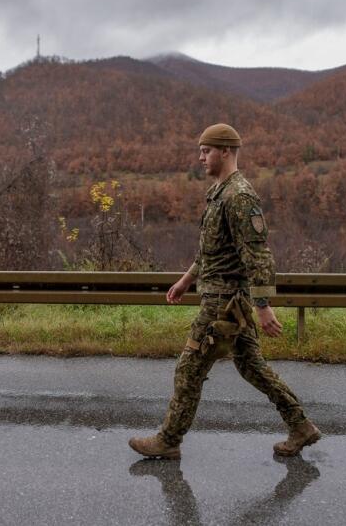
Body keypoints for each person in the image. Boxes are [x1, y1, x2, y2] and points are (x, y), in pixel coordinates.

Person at [129, 124, 320, 459]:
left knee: (189, 368)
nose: (201, 157)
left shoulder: (239, 197)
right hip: (223, 297)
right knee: (251, 367)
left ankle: (169, 440)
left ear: (226, 151)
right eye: (201, 151)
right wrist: (187, 279)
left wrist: (263, 306)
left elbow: (257, 255)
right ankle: (300, 426)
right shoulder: (219, 192)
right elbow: (212, 251)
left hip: (225, 302)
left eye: (206, 151)